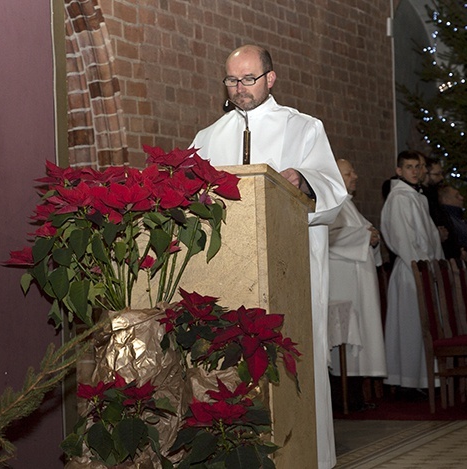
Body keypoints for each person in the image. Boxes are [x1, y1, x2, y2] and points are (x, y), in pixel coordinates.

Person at [190, 44, 347, 469]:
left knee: (292, 364)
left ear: (270, 79)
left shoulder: (303, 128)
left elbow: (333, 192)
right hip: (227, 277)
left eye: (248, 79)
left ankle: (306, 458)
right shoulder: (208, 137)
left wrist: (304, 181)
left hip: (287, 273)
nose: (239, 89)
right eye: (231, 80)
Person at [380, 151, 444, 391]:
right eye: (409, 167)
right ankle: (408, 381)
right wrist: (423, 269)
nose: (415, 171)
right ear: (399, 171)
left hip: (424, 269)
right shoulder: (399, 198)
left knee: (421, 327)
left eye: (418, 166)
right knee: (410, 328)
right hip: (411, 270)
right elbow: (404, 239)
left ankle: (424, 379)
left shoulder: (417, 197)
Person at [328, 159, 387, 390]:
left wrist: (372, 237)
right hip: (343, 280)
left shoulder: (346, 204)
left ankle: (357, 391)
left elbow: (362, 231)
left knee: (362, 333)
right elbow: (329, 237)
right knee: (347, 338)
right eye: (348, 173)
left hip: (358, 278)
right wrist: (365, 236)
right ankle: (346, 391)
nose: (355, 176)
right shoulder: (330, 204)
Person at [438, 185, 467, 260]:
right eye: (457, 196)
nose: (461, 198)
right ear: (445, 200)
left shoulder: (460, 220)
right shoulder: (448, 221)